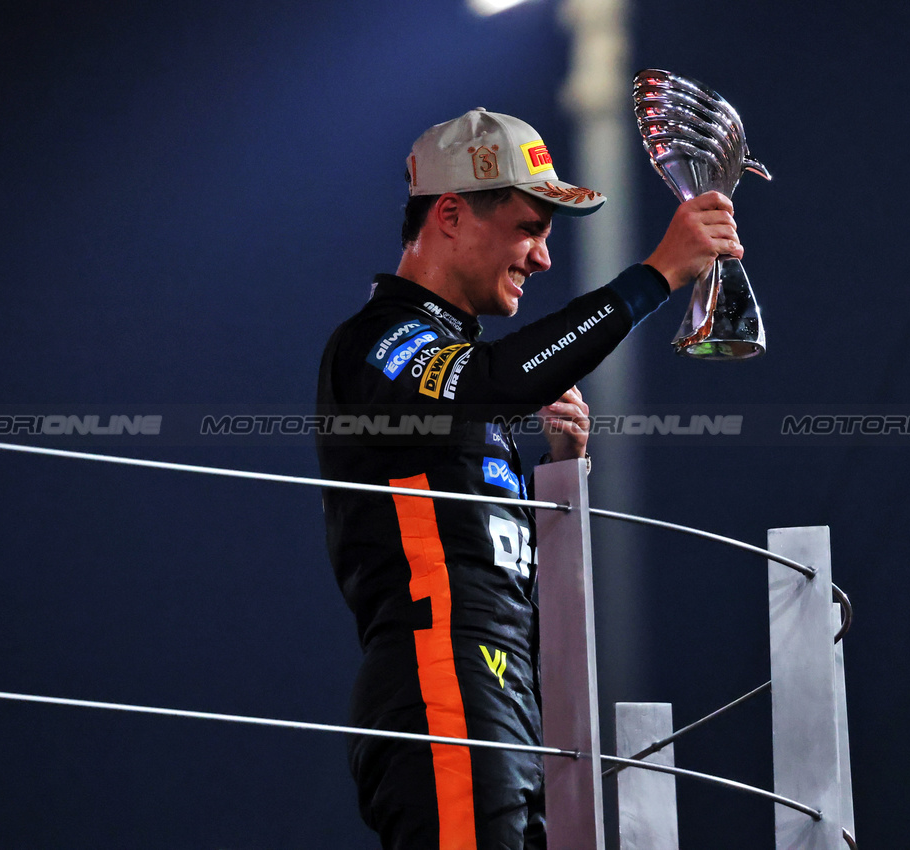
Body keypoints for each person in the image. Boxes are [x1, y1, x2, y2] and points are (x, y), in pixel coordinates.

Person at [315, 107, 742, 850]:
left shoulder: (460, 382)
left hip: (500, 695)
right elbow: (502, 378)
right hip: (442, 686)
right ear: (449, 214)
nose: (543, 257)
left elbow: (494, 555)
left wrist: (555, 471)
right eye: (528, 226)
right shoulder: (382, 339)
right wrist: (655, 277)